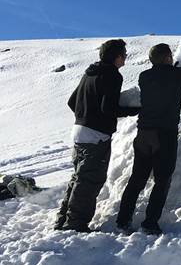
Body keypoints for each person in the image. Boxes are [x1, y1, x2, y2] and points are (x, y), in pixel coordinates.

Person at [114, 43, 181, 235]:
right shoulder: (178, 74)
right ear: (168, 57)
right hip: (164, 135)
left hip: (143, 134)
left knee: (137, 179)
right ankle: (150, 222)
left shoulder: (144, 76)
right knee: (162, 180)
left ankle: (123, 219)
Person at [55, 39, 140, 232]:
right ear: (117, 56)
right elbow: (108, 108)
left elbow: (71, 101)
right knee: (90, 180)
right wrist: (131, 110)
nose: (125, 58)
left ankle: (62, 220)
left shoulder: (90, 72)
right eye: (124, 54)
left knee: (78, 178)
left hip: (79, 132)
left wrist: (85, 115)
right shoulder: (112, 75)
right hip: (96, 136)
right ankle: (76, 225)